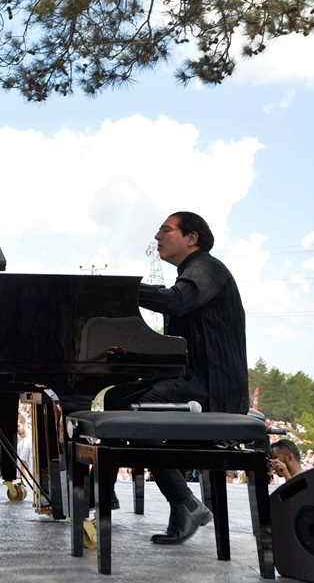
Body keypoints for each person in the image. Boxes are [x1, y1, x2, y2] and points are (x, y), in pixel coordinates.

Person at [106, 211, 248, 546]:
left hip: (213, 390)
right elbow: (177, 349)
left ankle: (184, 502)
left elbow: (177, 301)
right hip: (195, 383)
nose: (157, 236)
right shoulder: (191, 274)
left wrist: (120, 291)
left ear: (192, 238)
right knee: (115, 400)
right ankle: (106, 496)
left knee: (136, 413)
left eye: (166, 230)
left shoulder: (206, 269)